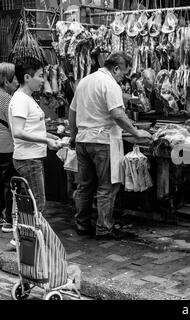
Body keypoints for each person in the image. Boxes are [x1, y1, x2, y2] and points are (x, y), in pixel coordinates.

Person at [69, 52, 152, 241]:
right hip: (102, 142)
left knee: (84, 186)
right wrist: (136, 132)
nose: (123, 77)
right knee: (107, 187)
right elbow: (117, 114)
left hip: (83, 140)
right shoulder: (110, 84)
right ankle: (104, 229)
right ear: (116, 69)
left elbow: (72, 112)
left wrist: (74, 135)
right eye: (124, 73)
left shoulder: (84, 82)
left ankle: (82, 225)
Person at [8, 57, 62, 246]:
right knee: (37, 202)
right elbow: (19, 131)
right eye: (39, 76)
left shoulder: (25, 98)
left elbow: (28, 129)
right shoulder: (22, 99)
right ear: (27, 77)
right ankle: (29, 241)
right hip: (29, 159)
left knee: (30, 202)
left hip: (30, 158)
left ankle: (23, 238)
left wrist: (48, 136)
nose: (42, 80)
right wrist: (45, 139)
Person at [0, 62, 19, 233]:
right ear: (6, 81)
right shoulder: (7, 99)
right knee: (8, 182)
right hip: (5, 146)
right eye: (15, 79)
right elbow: (14, 126)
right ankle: (7, 219)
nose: (18, 83)